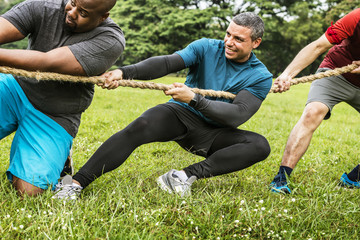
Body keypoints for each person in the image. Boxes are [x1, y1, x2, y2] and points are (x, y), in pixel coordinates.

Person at [52, 12, 273, 200]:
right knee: (140, 125)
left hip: (216, 130)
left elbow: (237, 115)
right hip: (181, 114)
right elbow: (167, 63)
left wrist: (195, 98)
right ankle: (76, 183)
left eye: (238, 39)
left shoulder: (260, 76)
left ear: (256, 42)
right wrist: (124, 72)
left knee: (259, 145)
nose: (229, 42)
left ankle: (182, 177)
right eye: (227, 34)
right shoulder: (206, 48)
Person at [0, 0, 125, 196]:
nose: (71, 12)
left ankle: (61, 158)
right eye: (72, 2)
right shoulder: (42, 7)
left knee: (29, 190)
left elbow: (47, 62)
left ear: (102, 17)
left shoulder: (110, 40)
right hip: (16, 87)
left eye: (82, 12)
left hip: (56, 113)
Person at [270, 8, 360, 194]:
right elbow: (318, 46)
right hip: (337, 71)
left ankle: (354, 178)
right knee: (313, 112)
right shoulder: (356, 18)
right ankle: (282, 178)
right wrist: (287, 74)